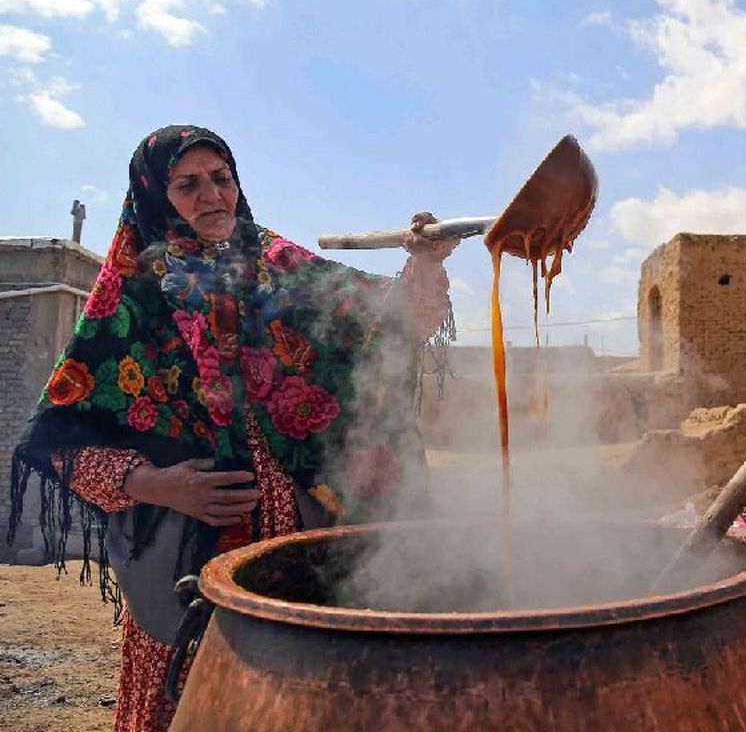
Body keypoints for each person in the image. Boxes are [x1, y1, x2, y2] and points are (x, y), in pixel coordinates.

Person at [6, 125, 456, 731]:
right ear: (155, 194)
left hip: (295, 537)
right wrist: (157, 484)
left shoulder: (279, 266)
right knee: (195, 702)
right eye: (187, 184)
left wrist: (423, 262)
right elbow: (59, 438)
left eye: (221, 177)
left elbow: (392, 323)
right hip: (183, 548)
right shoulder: (132, 291)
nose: (212, 195)